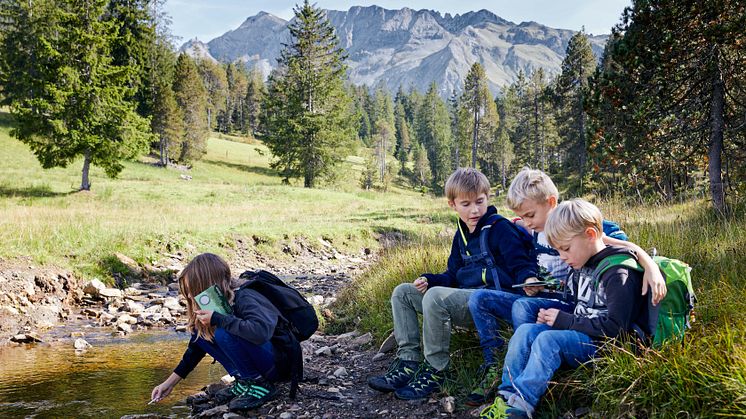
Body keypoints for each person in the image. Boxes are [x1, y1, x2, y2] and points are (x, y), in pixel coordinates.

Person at [466, 168, 667, 406]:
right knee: (525, 329)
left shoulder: (601, 255)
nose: (562, 257)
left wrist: (651, 266)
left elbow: (621, 248)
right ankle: (506, 393)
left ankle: (522, 401)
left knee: (544, 337)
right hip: (579, 320)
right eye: (558, 250)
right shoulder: (572, 253)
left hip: (598, 339)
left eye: (565, 249)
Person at [367, 168, 539, 400]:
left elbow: (520, 263)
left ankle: (437, 369)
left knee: (436, 296)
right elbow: (453, 275)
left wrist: (528, 278)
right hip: (466, 301)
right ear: (453, 205)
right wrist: (430, 279)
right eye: (466, 204)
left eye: (480, 201)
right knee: (403, 293)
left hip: (494, 305)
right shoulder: (461, 235)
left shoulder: (500, 228)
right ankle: (408, 362)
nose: (475, 210)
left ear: (488, 198)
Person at [151, 253, 289, 412]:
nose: (188, 296)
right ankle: (243, 381)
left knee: (223, 332)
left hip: (278, 364)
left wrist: (219, 319)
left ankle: (259, 384)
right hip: (262, 362)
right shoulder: (214, 305)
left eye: (192, 290)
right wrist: (168, 384)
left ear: (208, 284)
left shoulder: (245, 296)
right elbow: (195, 350)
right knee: (201, 336)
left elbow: (260, 332)